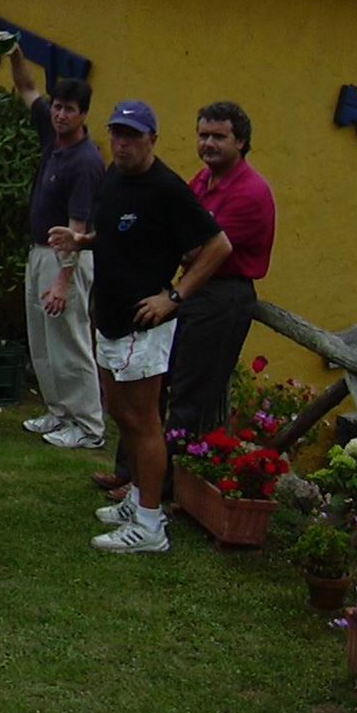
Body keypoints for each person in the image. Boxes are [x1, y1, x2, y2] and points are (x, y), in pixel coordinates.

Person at [49, 101, 232, 555]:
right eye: (117, 133)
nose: (122, 143)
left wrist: (174, 296)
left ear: (152, 139)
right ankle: (137, 496)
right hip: (110, 317)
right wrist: (82, 241)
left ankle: (151, 524)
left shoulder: (167, 188)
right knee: (118, 410)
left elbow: (218, 246)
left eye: (132, 135)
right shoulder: (114, 176)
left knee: (144, 419)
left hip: (144, 324)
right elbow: (115, 234)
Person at [0, 34, 106, 450]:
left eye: (69, 109)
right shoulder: (53, 137)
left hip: (65, 259)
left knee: (70, 342)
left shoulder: (86, 161)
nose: (59, 114)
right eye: (57, 106)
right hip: (40, 252)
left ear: (84, 115)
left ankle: (89, 426)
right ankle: (59, 411)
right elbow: (26, 87)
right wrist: (16, 54)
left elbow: (77, 231)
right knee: (42, 340)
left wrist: (63, 280)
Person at [168, 102, 276, 438]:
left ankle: (173, 468)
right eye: (203, 136)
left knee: (190, 395)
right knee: (165, 379)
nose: (208, 144)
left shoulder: (249, 192)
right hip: (196, 287)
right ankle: (146, 465)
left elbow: (199, 249)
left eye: (218, 137)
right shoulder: (203, 180)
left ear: (240, 141)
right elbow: (176, 226)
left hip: (223, 296)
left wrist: (177, 245)